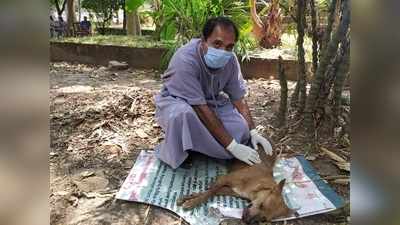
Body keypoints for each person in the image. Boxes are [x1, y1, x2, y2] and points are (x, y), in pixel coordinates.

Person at [154, 17, 273, 169]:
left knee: (240, 128)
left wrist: (253, 131)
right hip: (178, 101)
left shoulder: (230, 60)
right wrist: (232, 146)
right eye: (217, 44)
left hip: (211, 101)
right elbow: (201, 109)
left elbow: (238, 99)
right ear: (203, 40)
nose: (223, 51)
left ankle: (201, 146)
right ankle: (185, 150)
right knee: (182, 116)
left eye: (229, 47)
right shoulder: (185, 60)